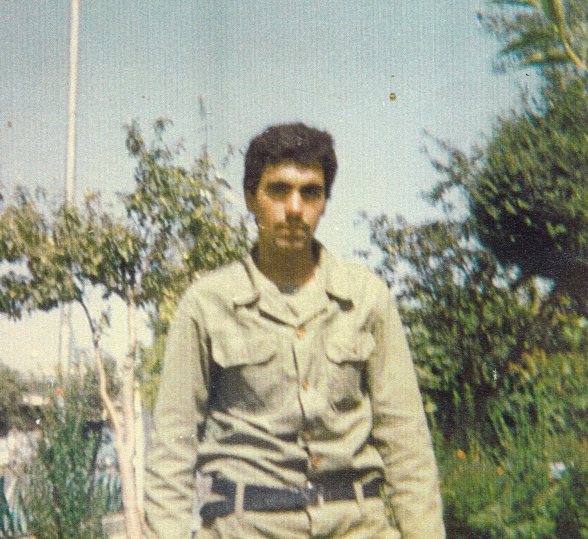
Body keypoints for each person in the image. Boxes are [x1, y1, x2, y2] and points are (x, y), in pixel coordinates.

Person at [145, 123, 445, 538]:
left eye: (310, 193)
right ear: (250, 198)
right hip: (247, 527)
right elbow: (172, 449)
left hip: (357, 525)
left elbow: (406, 443)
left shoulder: (367, 299)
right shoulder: (207, 304)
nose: (294, 208)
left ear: (324, 202)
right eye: (278, 190)